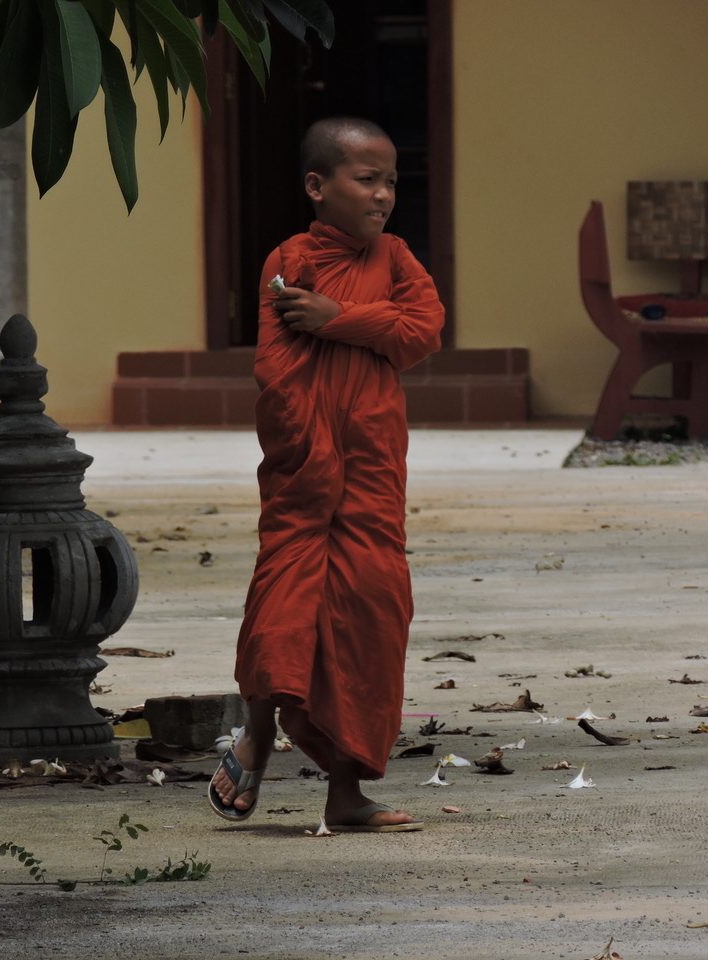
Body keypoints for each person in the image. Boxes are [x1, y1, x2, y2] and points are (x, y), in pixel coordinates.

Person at [208, 117, 444, 831]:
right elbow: (275, 368)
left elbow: (423, 329)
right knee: (283, 607)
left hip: (372, 465)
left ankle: (347, 794)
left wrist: (341, 317)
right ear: (318, 186)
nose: (383, 197)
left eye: (391, 182)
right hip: (305, 470)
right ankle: (255, 735)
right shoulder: (288, 259)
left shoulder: (397, 258)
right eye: (367, 180)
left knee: (373, 612)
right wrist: (305, 456)